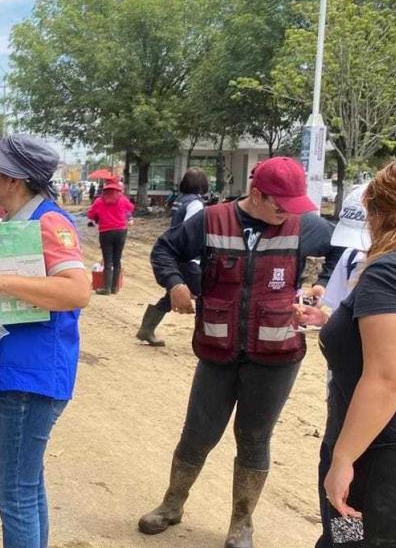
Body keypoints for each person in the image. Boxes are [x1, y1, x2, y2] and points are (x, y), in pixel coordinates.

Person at [140, 156, 341, 548]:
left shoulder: (305, 225)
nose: (287, 213)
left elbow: (342, 248)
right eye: (279, 204)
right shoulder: (212, 220)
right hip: (218, 348)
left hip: (276, 352)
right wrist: (175, 284)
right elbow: (165, 250)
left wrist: (324, 283)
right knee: (197, 434)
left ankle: (241, 523)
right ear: (256, 194)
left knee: (254, 437)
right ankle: (171, 504)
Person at [0, 134, 91, 548]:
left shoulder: (49, 223)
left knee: (14, 492)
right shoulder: (22, 222)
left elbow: (77, 290)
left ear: (14, 180)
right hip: (20, 372)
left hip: (29, 378)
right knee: (27, 485)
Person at [306, 159, 396, 548]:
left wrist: (343, 459)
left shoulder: (393, 271)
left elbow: (388, 377)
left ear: (379, 212)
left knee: (348, 539)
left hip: (381, 458)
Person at [314, 182, 370, 548]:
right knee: (343, 521)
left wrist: (346, 455)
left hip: (384, 428)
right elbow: (336, 314)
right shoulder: (351, 258)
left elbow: (387, 378)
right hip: (343, 401)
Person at [136, 168, 210, 346]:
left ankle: (147, 328)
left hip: (176, 253)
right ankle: (208, 336)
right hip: (188, 257)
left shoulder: (180, 200)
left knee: (174, 292)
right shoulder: (195, 204)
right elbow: (191, 230)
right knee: (206, 295)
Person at [86, 180, 134, 295]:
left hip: (105, 232)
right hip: (121, 231)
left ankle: (106, 288)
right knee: (117, 260)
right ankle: (114, 287)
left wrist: (99, 216)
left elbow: (90, 214)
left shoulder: (99, 201)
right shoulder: (122, 199)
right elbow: (131, 208)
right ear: (118, 190)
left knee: (108, 260)